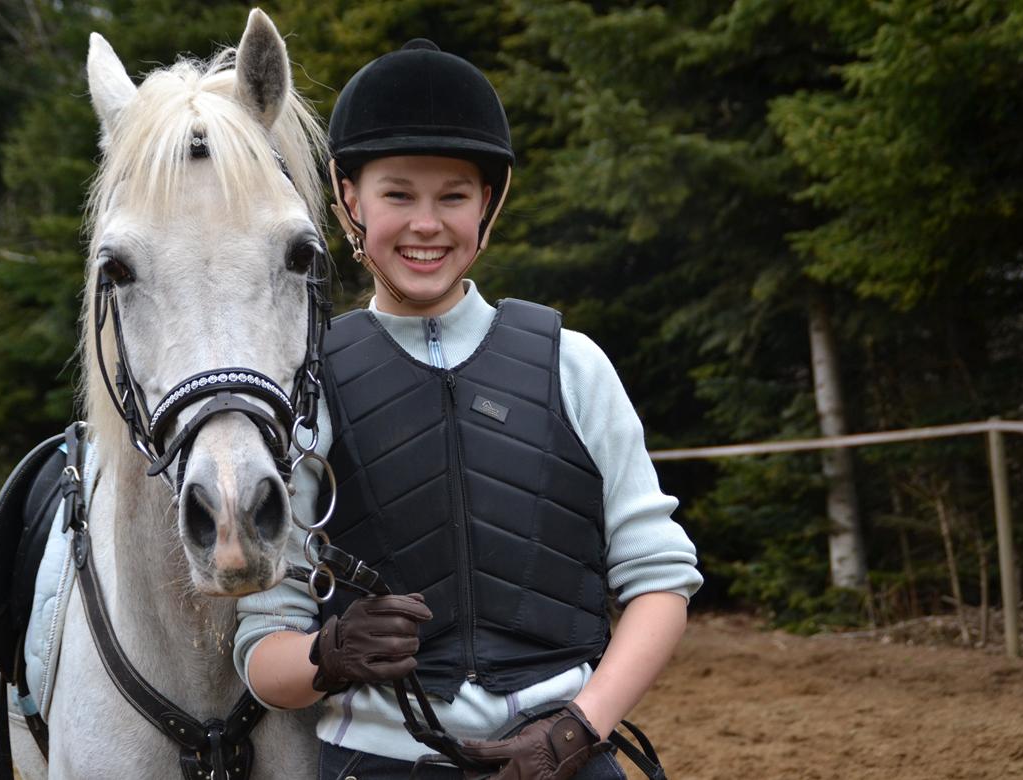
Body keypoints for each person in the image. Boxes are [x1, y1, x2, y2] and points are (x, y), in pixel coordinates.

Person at [234, 39, 703, 780]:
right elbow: (262, 651)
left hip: (566, 755)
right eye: (397, 194)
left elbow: (660, 580)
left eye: (453, 195)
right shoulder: (304, 388)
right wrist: (326, 654)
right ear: (349, 198)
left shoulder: (573, 364)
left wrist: (578, 730)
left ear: (489, 202)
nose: (427, 224)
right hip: (382, 763)